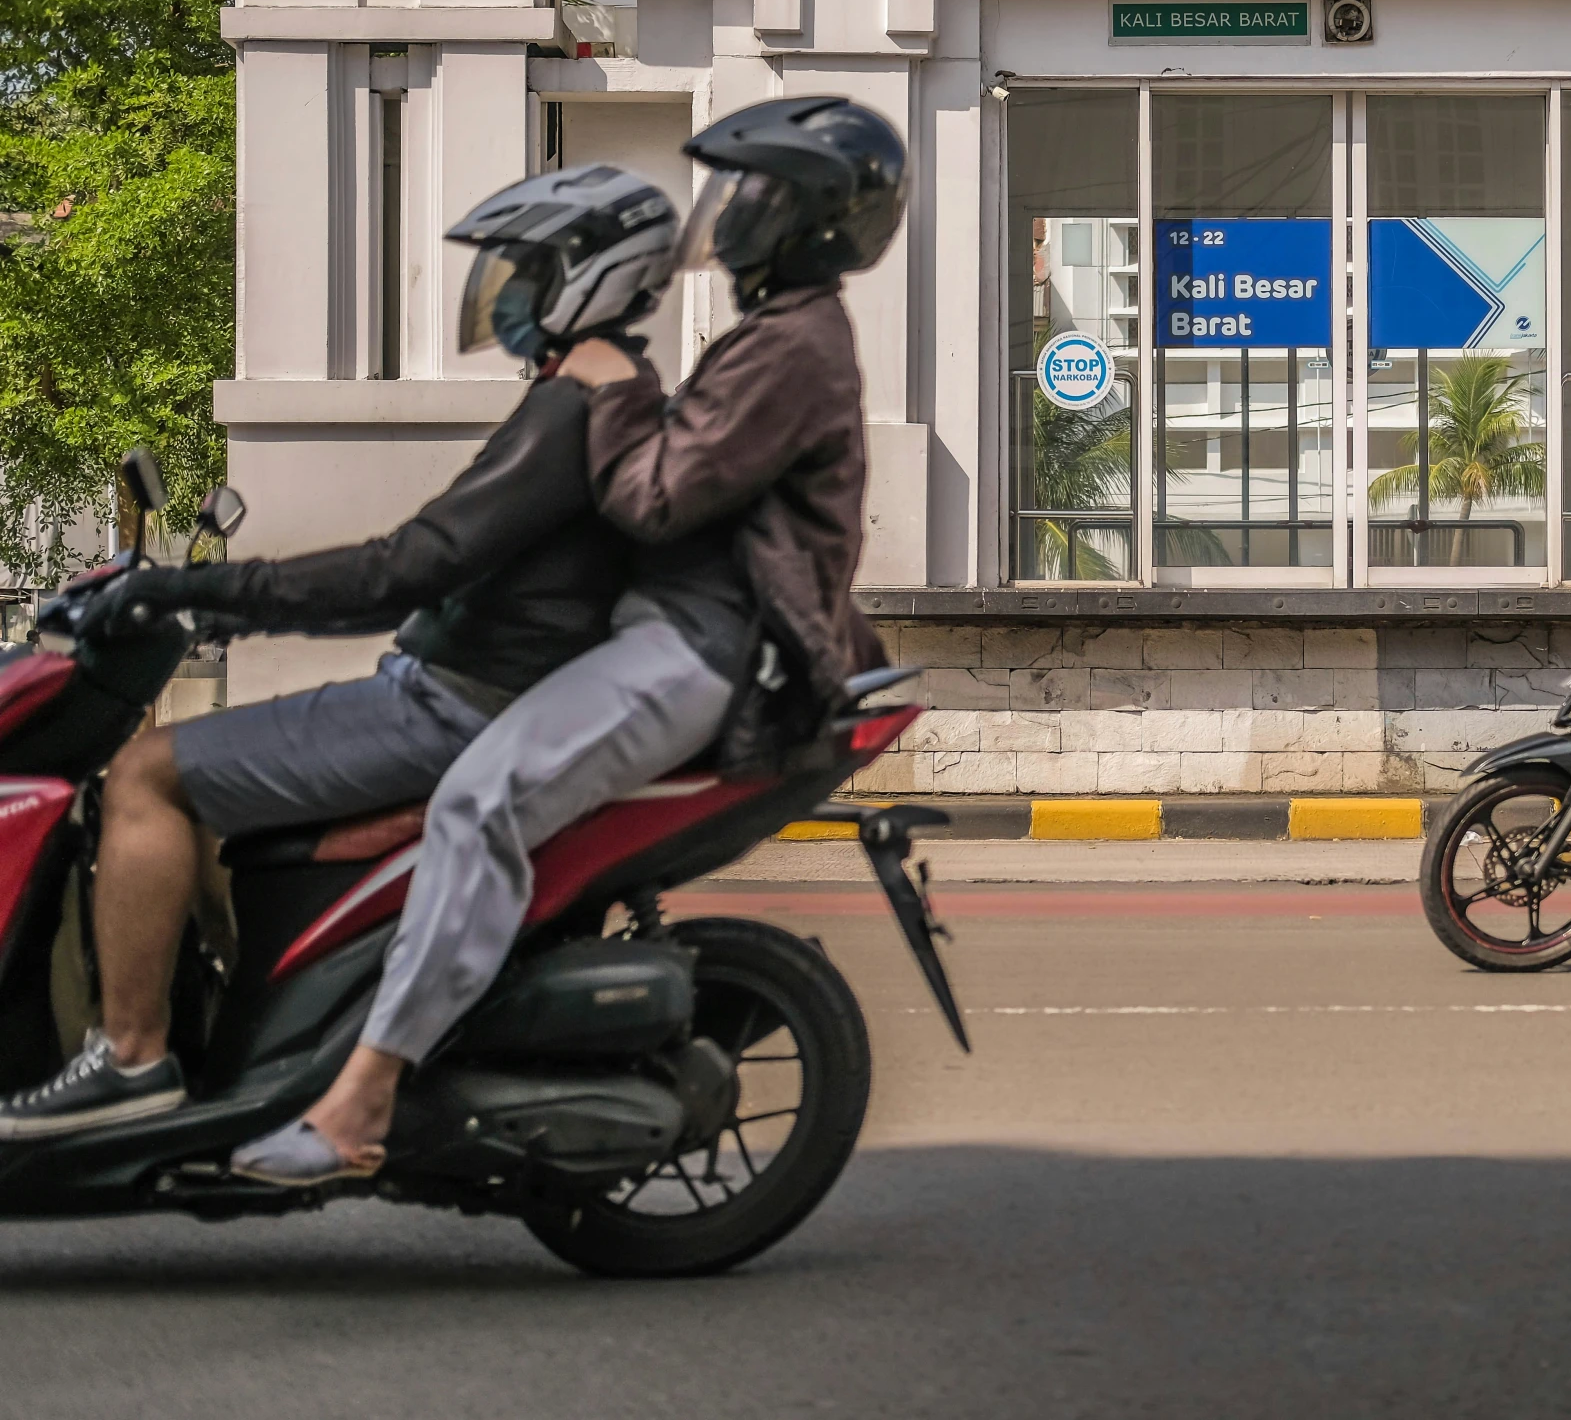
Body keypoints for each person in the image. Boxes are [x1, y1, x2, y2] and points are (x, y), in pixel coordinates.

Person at [226, 96, 904, 1185]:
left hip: (698, 647)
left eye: (756, 193)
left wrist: (615, 387)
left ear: (816, 216)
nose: (728, 214)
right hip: (672, 635)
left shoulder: (794, 347)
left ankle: (359, 1101)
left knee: (475, 802)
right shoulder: (782, 335)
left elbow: (656, 499)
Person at [0, 165, 677, 1141]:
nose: (508, 293)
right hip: (466, 688)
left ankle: (133, 1061)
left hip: (451, 703)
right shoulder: (597, 398)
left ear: (590, 274)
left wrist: (201, 588)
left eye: (527, 269)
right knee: (208, 782)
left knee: (148, 775)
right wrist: (224, 602)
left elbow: (402, 568)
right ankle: (237, 1031)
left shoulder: (573, 409)